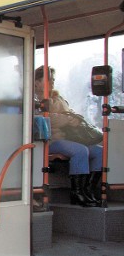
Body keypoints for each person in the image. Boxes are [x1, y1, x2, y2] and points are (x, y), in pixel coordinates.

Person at [34, 66, 103, 207]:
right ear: (36, 82)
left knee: (99, 151)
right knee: (80, 150)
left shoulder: (58, 98)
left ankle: (88, 190)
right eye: (48, 79)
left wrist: (75, 119)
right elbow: (42, 118)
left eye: (53, 79)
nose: (52, 82)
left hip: (68, 137)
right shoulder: (35, 99)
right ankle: (76, 193)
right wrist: (67, 119)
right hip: (52, 140)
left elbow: (71, 112)